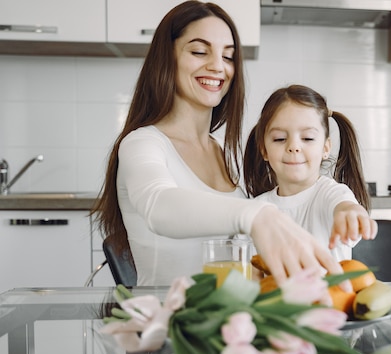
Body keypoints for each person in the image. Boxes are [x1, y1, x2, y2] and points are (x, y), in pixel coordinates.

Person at [90, 2, 342, 287]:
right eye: (199, 51)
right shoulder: (142, 144)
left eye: (229, 56)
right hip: (170, 324)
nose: (217, 66)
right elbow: (159, 206)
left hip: (231, 324)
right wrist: (255, 216)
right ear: (166, 57)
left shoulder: (227, 152)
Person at [243, 84, 377, 261]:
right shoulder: (254, 210)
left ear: (325, 147)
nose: (293, 147)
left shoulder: (330, 193)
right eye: (280, 139)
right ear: (264, 150)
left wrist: (351, 212)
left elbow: (344, 205)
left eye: (307, 138)